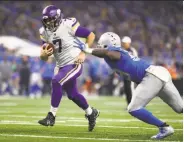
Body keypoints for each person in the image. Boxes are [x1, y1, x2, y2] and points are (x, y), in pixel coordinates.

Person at [74, 32, 183, 139]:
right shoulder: (115, 54)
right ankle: (165, 127)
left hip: (151, 76)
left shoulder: (114, 52)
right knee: (180, 108)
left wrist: (88, 50)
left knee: (133, 108)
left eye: (101, 44)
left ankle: (164, 127)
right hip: (158, 73)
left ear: (107, 45)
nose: (98, 46)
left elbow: (109, 53)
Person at [38, 5, 99, 132]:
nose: (48, 23)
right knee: (72, 95)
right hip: (60, 66)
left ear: (58, 17)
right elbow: (45, 56)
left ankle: (51, 116)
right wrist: (43, 55)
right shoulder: (44, 32)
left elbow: (91, 35)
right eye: (46, 21)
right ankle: (90, 112)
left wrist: (84, 52)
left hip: (74, 62)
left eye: (51, 20)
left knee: (56, 81)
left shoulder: (67, 25)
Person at [121, 36, 138, 105]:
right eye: (123, 43)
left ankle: (133, 104)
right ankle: (129, 104)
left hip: (130, 72)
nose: (123, 44)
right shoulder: (122, 50)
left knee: (131, 88)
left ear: (128, 43)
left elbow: (135, 60)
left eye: (125, 43)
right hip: (124, 72)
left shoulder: (132, 51)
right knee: (126, 89)